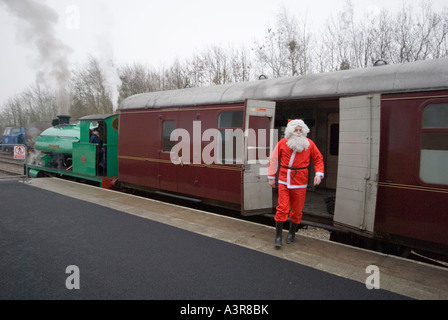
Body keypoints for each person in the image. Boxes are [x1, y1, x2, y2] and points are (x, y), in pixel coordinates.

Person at [268, 119, 324, 248]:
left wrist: (318, 174)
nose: (298, 132)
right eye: (296, 130)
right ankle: (278, 236)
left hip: (300, 181)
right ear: (290, 131)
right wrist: (271, 177)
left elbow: (318, 159)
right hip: (284, 179)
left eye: (300, 130)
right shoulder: (283, 143)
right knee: (282, 208)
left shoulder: (309, 144)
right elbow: (274, 159)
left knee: (297, 210)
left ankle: (291, 233)